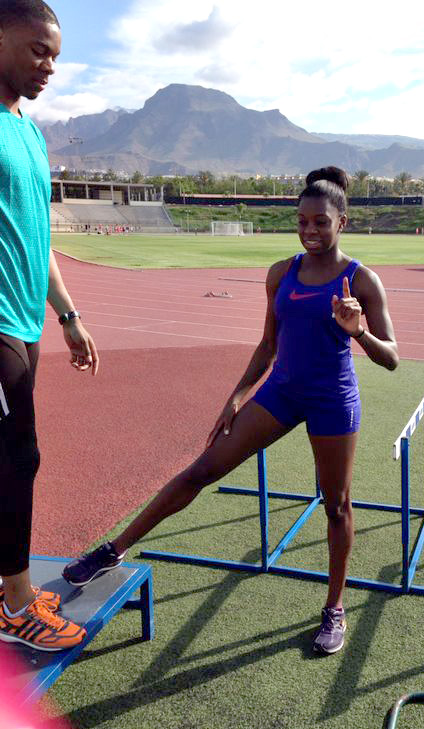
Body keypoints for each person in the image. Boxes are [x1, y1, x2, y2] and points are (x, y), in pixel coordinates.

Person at [64, 166, 398, 655]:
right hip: (281, 392)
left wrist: (358, 331)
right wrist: (237, 397)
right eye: (302, 221)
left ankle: (334, 608)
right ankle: (112, 550)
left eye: (321, 222)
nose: (309, 230)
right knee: (203, 468)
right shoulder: (281, 274)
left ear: (341, 222)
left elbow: (391, 357)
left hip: (333, 399)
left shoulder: (361, 280)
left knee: (337, 504)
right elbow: (267, 345)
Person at [0, 0, 99, 652]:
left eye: (56, 56)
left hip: (27, 322)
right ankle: (14, 605)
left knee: (11, 458)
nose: (50, 67)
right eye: (38, 50)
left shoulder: (29, 133)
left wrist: (68, 314)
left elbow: (39, 239)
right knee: (15, 458)